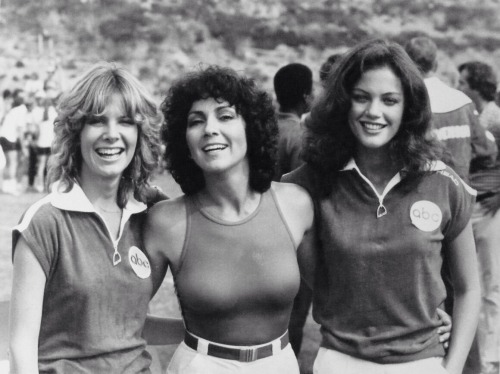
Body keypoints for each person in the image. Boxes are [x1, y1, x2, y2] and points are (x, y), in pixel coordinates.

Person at [283, 39, 480, 374]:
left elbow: (469, 287)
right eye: (361, 97)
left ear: (409, 108)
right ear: (343, 103)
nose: (373, 112)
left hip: (424, 365)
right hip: (339, 363)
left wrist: (452, 367)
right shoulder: (307, 184)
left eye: (390, 100)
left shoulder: (441, 182)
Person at [9, 62, 183, 373]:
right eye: (98, 121)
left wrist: (212, 333)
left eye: (126, 122)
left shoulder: (151, 214)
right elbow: (22, 345)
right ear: (76, 131)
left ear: (140, 133)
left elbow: (123, 325)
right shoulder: (45, 222)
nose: (112, 135)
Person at [144, 65, 315, 374]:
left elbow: (337, 298)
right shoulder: (165, 223)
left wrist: (430, 319)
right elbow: (120, 317)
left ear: (251, 127)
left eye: (225, 116)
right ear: (185, 141)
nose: (210, 128)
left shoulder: (295, 204)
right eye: (196, 120)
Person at [405, 36, 497, 182]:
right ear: (435, 65)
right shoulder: (462, 101)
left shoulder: (405, 103)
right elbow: (487, 150)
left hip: (421, 196)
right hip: (459, 194)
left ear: (406, 65)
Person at [458, 61, 500, 374]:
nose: (459, 87)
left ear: (475, 85)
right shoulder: (471, 115)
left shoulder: (495, 116)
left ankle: (488, 357)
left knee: (490, 284)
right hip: (472, 205)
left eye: (462, 82)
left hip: (489, 207)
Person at [272, 63, 313, 181]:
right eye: (313, 89)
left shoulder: (265, 125)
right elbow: (300, 184)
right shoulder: (301, 136)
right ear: (306, 95)